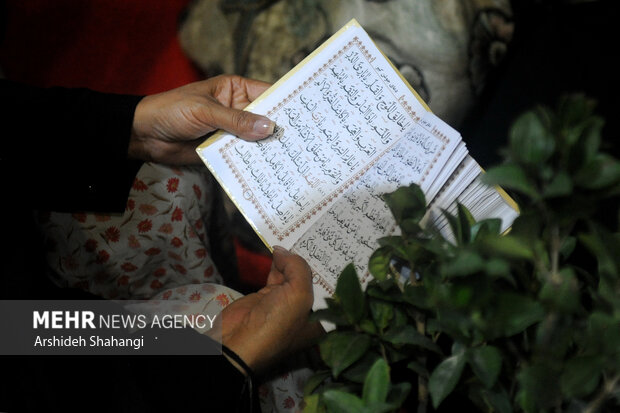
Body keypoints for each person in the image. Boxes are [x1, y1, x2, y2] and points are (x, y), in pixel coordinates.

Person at [0, 75, 321, 412]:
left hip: (17, 261)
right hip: (35, 353)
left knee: (176, 177)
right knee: (233, 329)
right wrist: (229, 362)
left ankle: (214, 288)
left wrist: (136, 128)